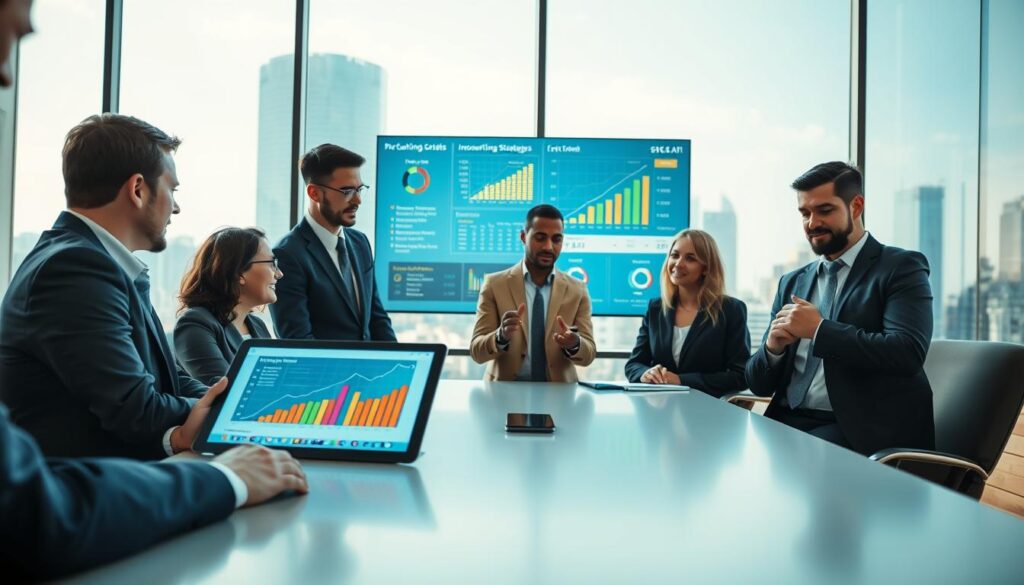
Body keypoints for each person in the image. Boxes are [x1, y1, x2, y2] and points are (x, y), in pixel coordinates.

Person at [0, 2, 307, 580]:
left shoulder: (105, 264)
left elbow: (164, 382)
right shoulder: (74, 269)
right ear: (138, 189)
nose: (177, 207)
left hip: (105, 499)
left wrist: (231, 406)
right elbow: (136, 407)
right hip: (80, 515)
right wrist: (221, 429)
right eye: (173, 190)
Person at [745, 161, 935, 455]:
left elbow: (907, 352)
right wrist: (773, 349)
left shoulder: (901, 268)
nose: (812, 223)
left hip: (858, 430)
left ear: (856, 206)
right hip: (786, 420)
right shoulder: (792, 282)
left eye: (824, 210)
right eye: (805, 213)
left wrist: (819, 330)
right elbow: (758, 385)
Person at [270, 144, 395, 341]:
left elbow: (377, 319)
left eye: (359, 189)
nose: (358, 200)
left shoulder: (360, 243)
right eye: (347, 191)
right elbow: (297, 341)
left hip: (369, 362)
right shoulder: (288, 254)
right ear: (314, 193)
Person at [470, 204, 596, 382]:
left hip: (558, 392)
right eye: (540, 238)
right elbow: (477, 352)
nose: (548, 247)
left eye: (556, 239)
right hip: (504, 390)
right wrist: (500, 336)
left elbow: (589, 354)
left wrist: (575, 344)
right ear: (523, 237)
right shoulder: (494, 285)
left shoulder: (578, 290)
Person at [624, 229, 750, 397]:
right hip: (659, 406)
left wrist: (681, 380)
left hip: (707, 408)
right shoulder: (656, 308)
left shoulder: (731, 310)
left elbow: (740, 376)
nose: (678, 263)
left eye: (690, 258)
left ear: (706, 268)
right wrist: (645, 374)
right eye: (674, 255)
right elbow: (634, 364)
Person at [175, 227, 279, 385]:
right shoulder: (195, 324)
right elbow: (225, 390)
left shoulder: (257, 325)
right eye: (272, 264)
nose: (279, 273)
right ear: (239, 272)